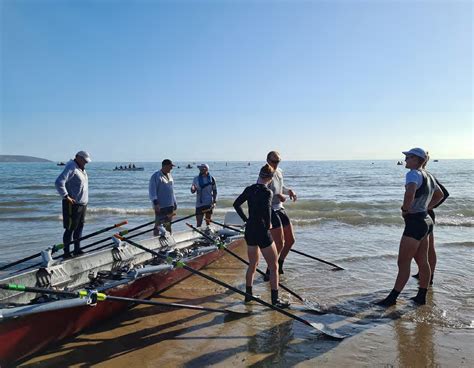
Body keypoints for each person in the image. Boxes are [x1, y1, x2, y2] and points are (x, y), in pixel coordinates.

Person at [377, 148, 444, 306]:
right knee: (423, 261)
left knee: (403, 262)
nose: (405, 159)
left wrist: (406, 210)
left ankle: (392, 298)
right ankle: (421, 296)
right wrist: (427, 207)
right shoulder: (429, 175)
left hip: (415, 222)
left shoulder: (413, 174)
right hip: (426, 220)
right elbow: (440, 195)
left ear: (416, 159)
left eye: (408, 157)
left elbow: (410, 193)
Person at [233, 164, 290, 308]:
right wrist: (269, 225)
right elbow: (266, 212)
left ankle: (248, 295)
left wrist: (246, 220)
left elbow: (236, 204)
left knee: (253, 264)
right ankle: (275, 300)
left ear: (259, 175)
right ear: (270, 179)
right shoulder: (267, 192)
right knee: (274, 266)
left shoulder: (249, 189)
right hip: (262, 231)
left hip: (250, 230)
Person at [413, 152, 449, 284]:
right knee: (423, 247)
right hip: (424, 213)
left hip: (426, 213)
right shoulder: (421, 175)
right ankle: (423, 273)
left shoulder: (427, 175)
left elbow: (444, 194)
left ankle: (430, 275)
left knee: (429, 247)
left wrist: (429, 206)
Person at [264, 151, 297, 280]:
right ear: (267, 160)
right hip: (270, 210)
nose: (275, 164)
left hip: (280, 208)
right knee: (279, 243)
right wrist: (277, 196)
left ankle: (280, 263)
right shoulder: (266, 173)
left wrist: (288, 191)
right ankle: (270, 270)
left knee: (290, 240)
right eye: (273, 161)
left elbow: (280, 187)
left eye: (278, 161)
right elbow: (263, 192)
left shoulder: (279, 172)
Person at [55, 151, 91, 258]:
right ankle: (66, 252)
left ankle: (77, 249)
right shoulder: (71, 167)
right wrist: (66, 196)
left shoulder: (81, 168)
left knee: (80, 227)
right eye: (84, 161)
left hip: (82, 203)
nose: (85, 163)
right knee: (70, 228)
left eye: (86, 161)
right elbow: (59, 182)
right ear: (78, 158)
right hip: (72, 204)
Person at [149, 159, 177, 235]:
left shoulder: (170, 175)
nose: (171, 168)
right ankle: (155, 239)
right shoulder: (156, 176)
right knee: (158, 225)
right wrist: (156, 203)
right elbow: (152, 191)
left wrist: (174, 202)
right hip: (160, 206)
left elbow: (172, 190)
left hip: (170, 205)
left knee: (168, 224)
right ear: (165, 166)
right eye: (170, 166)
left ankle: (169, 237)